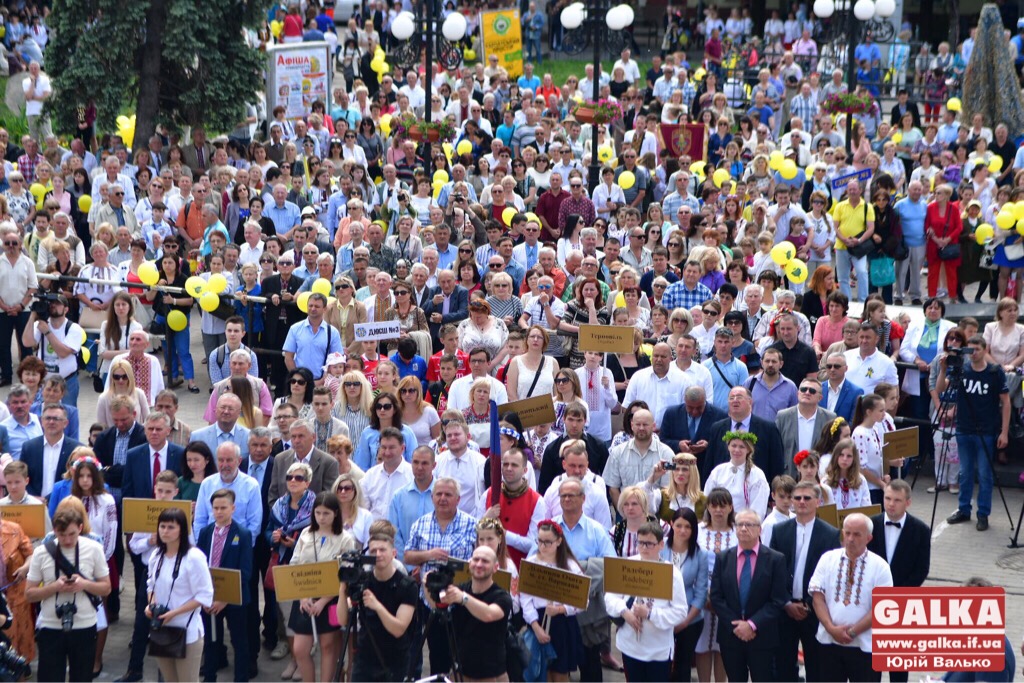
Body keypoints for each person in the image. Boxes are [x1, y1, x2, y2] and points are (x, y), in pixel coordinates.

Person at [24, 504, 112, 683]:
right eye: (61, 534)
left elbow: (106, 588)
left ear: (81, 527)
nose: (67, 540)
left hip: (84, 625)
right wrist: (54, 587)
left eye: (72, 534)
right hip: (50, 626)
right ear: (54, 530)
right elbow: (29, 594)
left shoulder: (94, 549)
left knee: (82, 678)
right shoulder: (41, 552)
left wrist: (84, 584)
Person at [769, 480, 841, 682]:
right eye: (797, 498)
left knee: (816, 669)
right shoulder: (779, 530)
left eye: (807, 498)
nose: (801, 502)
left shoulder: (830, 534)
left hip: (814, 611)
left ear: (818, 502)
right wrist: (786, 603)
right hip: (785, 610)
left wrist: (809, 605)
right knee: (783, 668)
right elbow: (774, 572)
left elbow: (830, 576)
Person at [809, 513, 893, 683]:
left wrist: (852, 632)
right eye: (847, 533)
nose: (850, 539)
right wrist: (831, 628)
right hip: (829, 642)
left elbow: (881, 607)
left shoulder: (880, 567)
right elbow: (817, 597)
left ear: (868, 538)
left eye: (857, 534)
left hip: (865, 646)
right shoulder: (828, 559)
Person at [605, 520, 688, 681]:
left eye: (649, 544)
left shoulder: (672, 573)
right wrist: (624, 611)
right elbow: (609, 597)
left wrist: (650, 614)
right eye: (640, 543)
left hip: (658, 649)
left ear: (661, 545)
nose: (643, 548)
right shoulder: (627, 564)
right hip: (630, 646)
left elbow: (680, 612)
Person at [289, 492, 356, 681]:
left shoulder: (345, 538)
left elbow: (347, 573)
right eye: (318, 513)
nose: (321, 517)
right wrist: (303, 597)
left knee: (328, 647)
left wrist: (324, 601)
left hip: (333, 599)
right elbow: (294, 564)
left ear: (335, 513)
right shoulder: (306, 533)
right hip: (305, 595)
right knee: (300, 649)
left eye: (326, 513)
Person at [336, 533, 418, 682]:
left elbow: (398, 629)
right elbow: (342, 620)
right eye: (373, 551)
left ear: (394, 553)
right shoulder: (363, 581)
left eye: (382, 550)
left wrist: (377, 606)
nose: (378, 554)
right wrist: (342, 590)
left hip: (394, 659)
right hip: (365, 657)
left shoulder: (407, 585)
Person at [145, 507, 214, 682]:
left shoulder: (194, 557)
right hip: (162, 630)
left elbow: (205, 595)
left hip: (187, 631)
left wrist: (174, 613)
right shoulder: (156, 555)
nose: (165, 531)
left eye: (171, 527)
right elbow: (151, 585)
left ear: (182, 530)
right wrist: (151, 605)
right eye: (162, 526)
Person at [430, 544, 514, 681]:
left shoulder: (502, 596)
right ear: (470, 563)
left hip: (491, 675)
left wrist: (463, 598)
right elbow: (437, 605)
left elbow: (489, 614)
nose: (479, 564)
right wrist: (430, 588)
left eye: (485, 561)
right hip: (459, 672)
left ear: (495, 568)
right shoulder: (461, 589)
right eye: (476, 560)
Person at [197, 488, 253, 683]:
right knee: (211, 640)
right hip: (209, 597)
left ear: (233, 508)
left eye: (223, 508)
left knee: (239, 641)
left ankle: (240, 679)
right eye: (216, 508)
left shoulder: (243, 534)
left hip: (234, 599)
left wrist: (225, 599)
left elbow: (245, 571)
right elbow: (199, 565)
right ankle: (209, 677)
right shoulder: (205, 532)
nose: (219, 512)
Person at [520, 519, 586, 682]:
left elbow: (582, 601)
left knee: (560, 674)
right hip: (538, 621)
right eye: (540, 541)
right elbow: (525, 599)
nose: (543, 546)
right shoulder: (531, 563)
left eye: (548, 542)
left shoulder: (570, 566)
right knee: (541, 672)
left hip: (562, 624)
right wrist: (536, 627)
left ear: (558, 541)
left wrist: (561, 609)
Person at [21, 293, 84, 407]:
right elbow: (27, 342)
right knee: (41, 413)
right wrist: (33, 315)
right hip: (44, 381)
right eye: (51, 303)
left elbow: (63, 353)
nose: (53, 305)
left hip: (67, 381)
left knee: (66, 413)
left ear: (66, 309)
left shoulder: (73, 328)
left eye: (57, 304)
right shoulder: (40, 324)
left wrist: (47, 332)